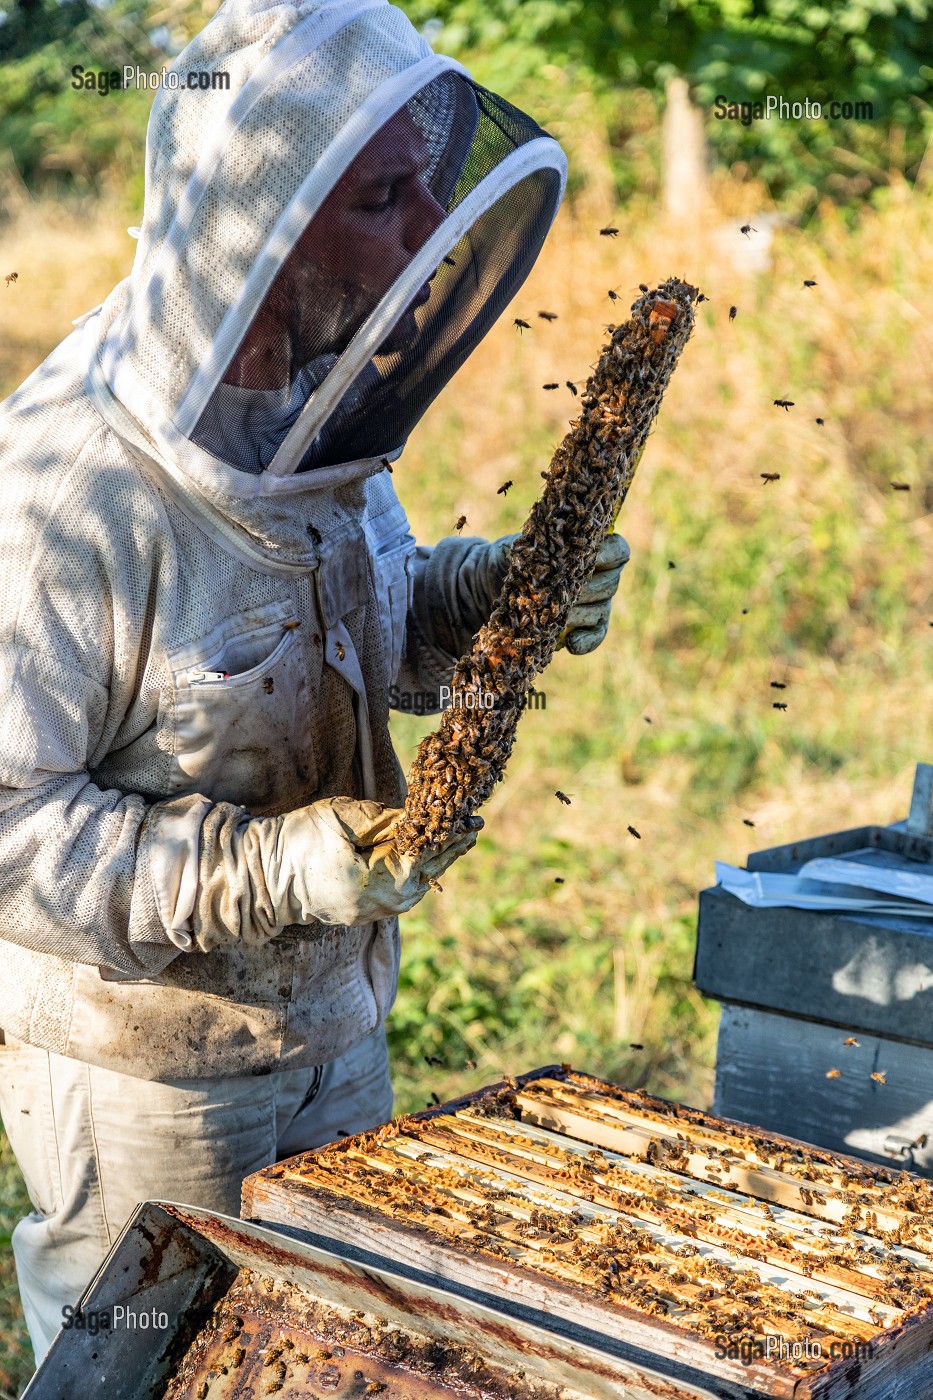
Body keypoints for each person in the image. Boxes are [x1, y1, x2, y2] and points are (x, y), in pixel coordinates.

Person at [0, 0, 630, 1362]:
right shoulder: (66, 500)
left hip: (335, 1013)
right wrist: (277, 871)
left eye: (422, 191)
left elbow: (369, 640)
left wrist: (493, 596)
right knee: (151, 1365)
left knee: (326, 1363)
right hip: (144, 1076)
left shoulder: (315, 393)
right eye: (383, 200)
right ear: (266, 219)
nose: (421, 241)